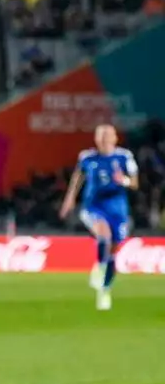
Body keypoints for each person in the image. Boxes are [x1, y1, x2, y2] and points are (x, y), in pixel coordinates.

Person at [59, 124, 138, 311]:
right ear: (95, 138)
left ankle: (105, 290)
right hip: (93, 206)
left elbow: (135, 183)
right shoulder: (87, 157)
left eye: (107, 136)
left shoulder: (124, 157)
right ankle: (100, 267)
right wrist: (70, 198)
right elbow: (78, 176)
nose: (103, 139)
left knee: (113, 249)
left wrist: (124, 180)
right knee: (104, 234)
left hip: (118, 210)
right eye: (100, 136)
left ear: (114, 138)